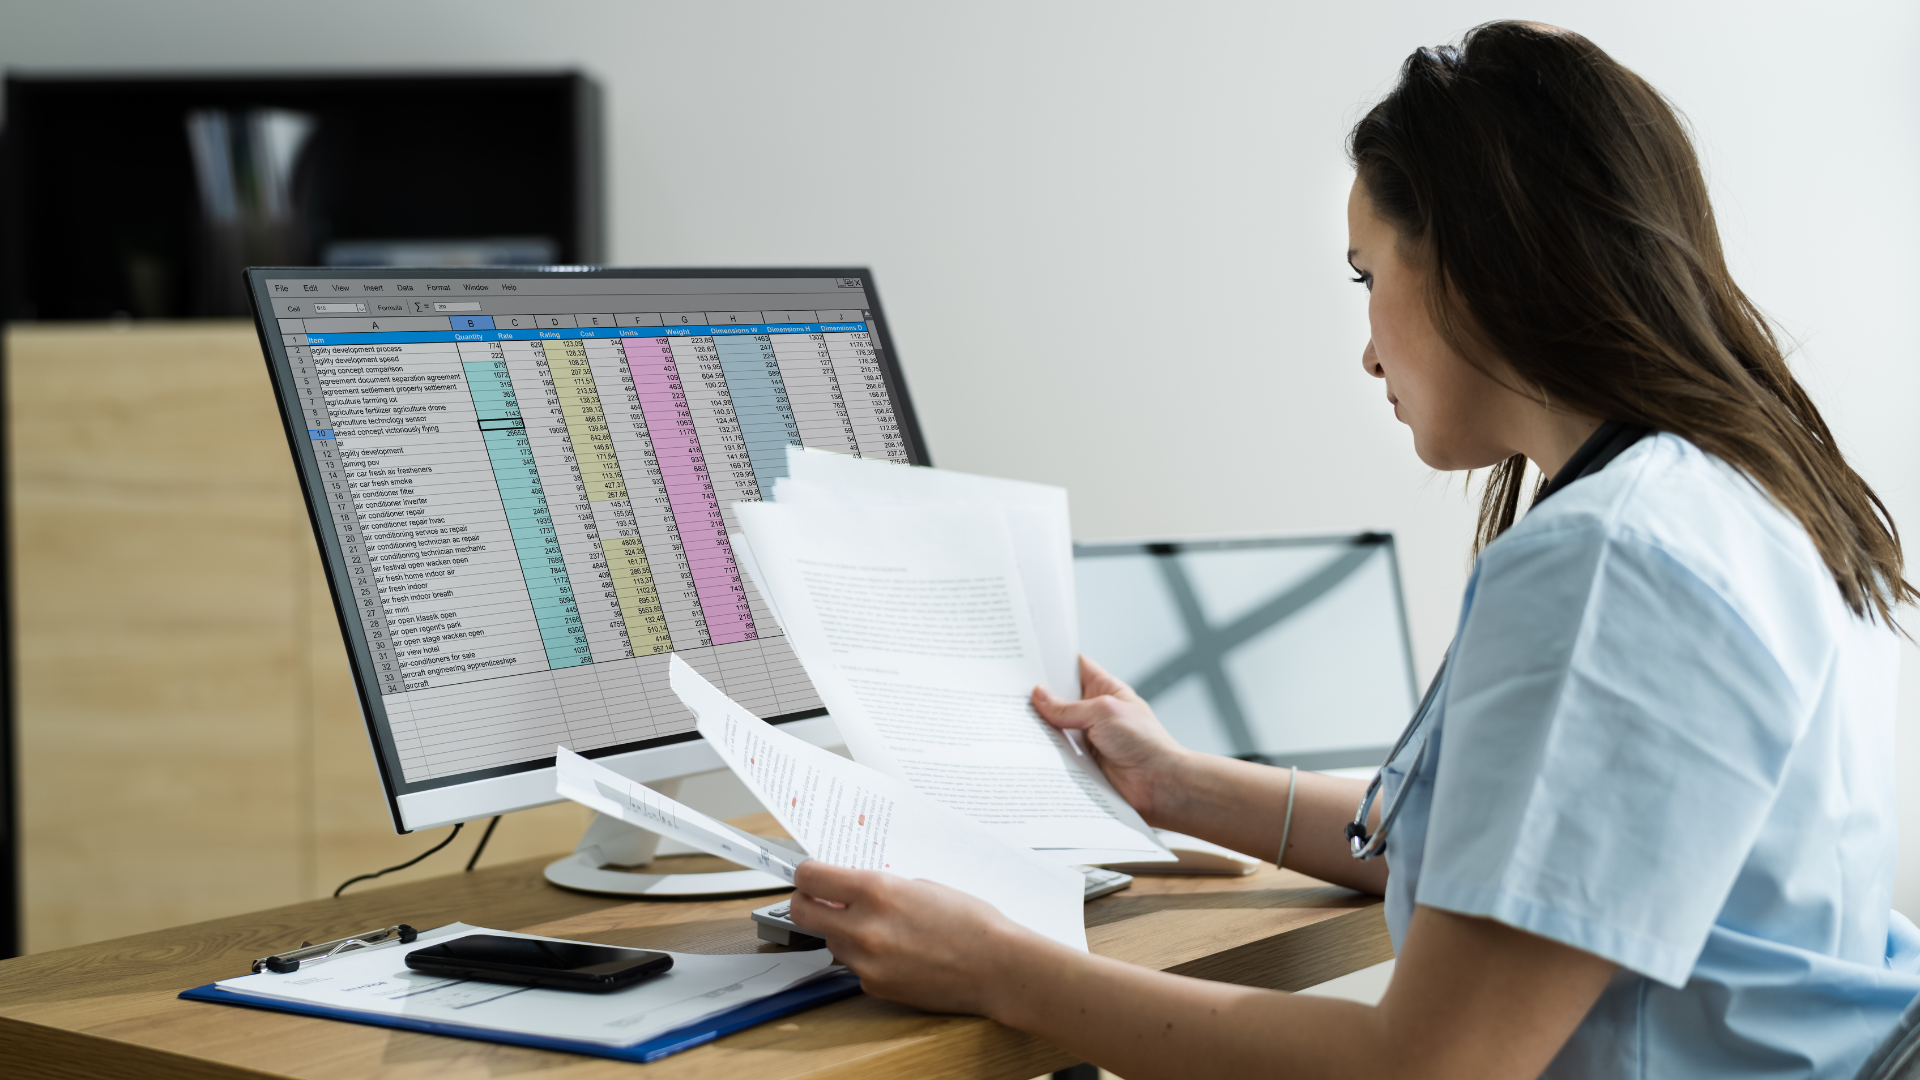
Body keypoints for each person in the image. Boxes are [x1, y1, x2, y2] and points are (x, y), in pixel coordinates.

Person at [786, 21, 1920, 1079]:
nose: (1368, 351)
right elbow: (1524, 870)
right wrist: (1173, 785)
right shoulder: (1723, 495)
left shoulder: (1613, 563)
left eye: (1368, 277)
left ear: (1479, 262)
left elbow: (1427, 1066)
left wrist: (994, 967)